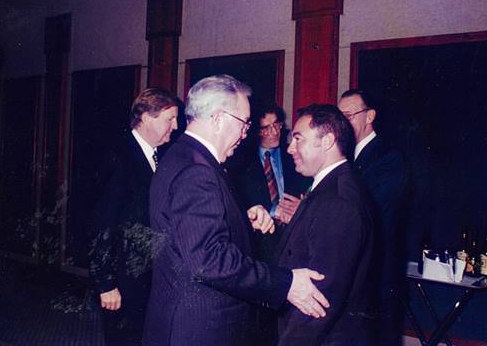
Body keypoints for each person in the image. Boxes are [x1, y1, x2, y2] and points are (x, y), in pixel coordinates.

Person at [143, 75, 330, 346]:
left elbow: (186, 234)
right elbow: (208, 259)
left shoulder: (181, 156)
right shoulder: (197, 170)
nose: (246, 135)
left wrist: (241, 220)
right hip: (200, 327)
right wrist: (285, 283)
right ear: (218, 119)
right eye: (244, 124)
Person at [275, 104, 375, 345]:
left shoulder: (338, 201)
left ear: (328, 141)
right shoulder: (331, 186)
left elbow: (319, 301)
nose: (289, 149)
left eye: (298, 139)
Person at [89, 88, 179, 346]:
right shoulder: (118, 156)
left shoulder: (159, 156)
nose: (175, 126)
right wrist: (105, 283)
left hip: (150, 277)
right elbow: (101, 223)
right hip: (123, 279)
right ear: (147, 118)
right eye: (169, 119)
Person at [230, 104, 312, 344]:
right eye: (266, 128)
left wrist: (302, 207)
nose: (274, 132)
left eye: (277, 124)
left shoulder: (293, 154)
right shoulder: (239, 163)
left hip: (293, 239)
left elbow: (311, 192)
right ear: (255, 131)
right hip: (260, 245)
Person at [338, 89, 407, 346]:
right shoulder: (345, 156)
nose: (342, 123)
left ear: (370, 116)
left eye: (349, 115)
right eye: (339, 116)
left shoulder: (388, 157)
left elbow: (369, 210)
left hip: (378, 270)